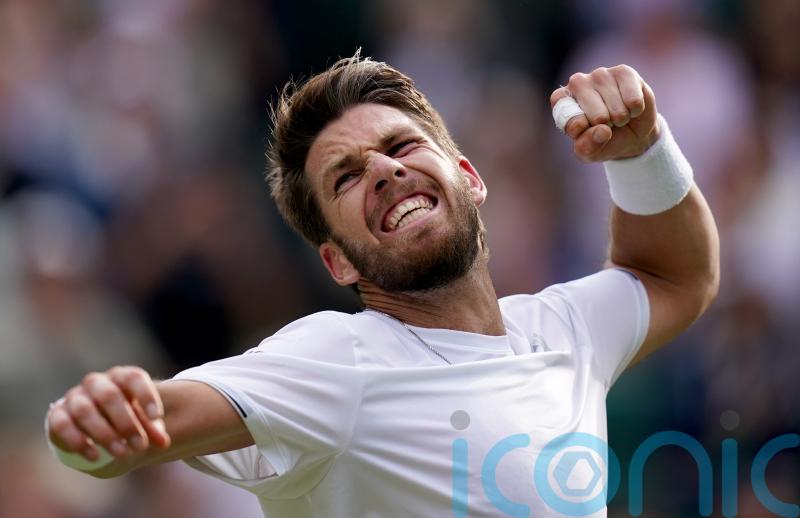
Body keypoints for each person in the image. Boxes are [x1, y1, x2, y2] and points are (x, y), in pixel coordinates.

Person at [44, 53, 719, 517]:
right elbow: (160, 424)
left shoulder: (561, 330)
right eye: (347, 176)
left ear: (469, 178)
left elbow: (674, 275)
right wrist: (104, 424)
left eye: (400, 148)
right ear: (339, 264)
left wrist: (642, 151)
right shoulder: (339, 359)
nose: (385, 172)